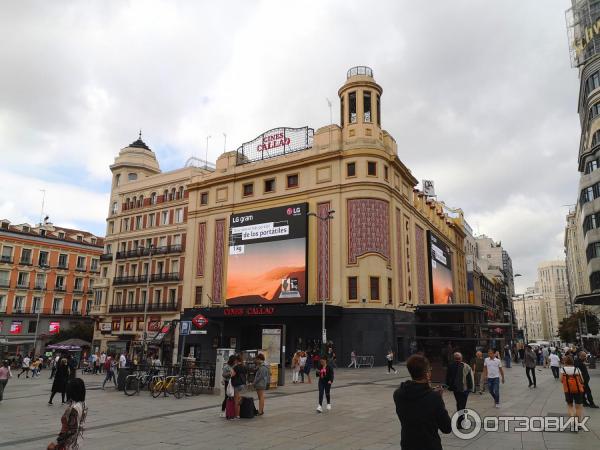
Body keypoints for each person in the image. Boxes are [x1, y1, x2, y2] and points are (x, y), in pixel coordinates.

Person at [394, 354, 452, 450]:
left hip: (408, 445)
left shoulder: (398, 394)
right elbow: (446, 428)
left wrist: (430, 391)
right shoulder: (434, 398)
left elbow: (417, 402)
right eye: (429, 370)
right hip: (429, 445)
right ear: (427, 373)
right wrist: (438, 398)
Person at [47, 378, 88, 450]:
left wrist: (56, 442)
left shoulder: (74, 408)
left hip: (69, 444)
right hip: (79, 441)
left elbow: (72, 430)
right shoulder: (83, 404)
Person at [445, 352, 473, 429]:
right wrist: (470, 388)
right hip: (464, 389)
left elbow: (447, 378)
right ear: (461, 358)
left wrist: (449, 385)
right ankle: (460, 422)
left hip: (455, 389)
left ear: (454, 358)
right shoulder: (465, 366)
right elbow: (469, 378)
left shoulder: (450, 366)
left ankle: (461, 420)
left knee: (459, 404)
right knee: (462, 405)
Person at [561, 355, 585, 431]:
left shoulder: (563, 369)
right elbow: (582, 381)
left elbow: (561, 380)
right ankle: (578, 424)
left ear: (565, 361)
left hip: (568, 390)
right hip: (578, 390)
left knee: (570, 406)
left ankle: (573, 421)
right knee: (578, 407)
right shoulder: (576, 369)